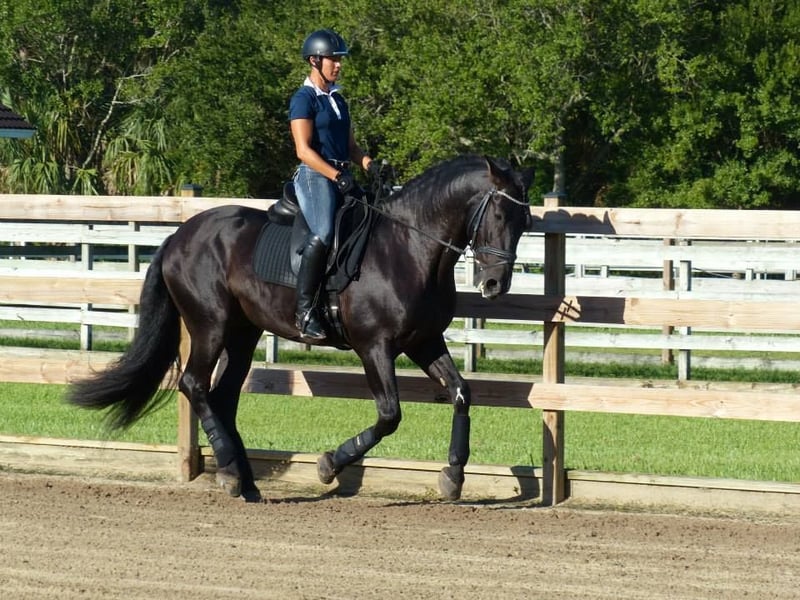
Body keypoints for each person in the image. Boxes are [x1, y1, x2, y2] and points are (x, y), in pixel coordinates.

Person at [289, 28, 380, 341]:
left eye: (340, 59)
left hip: (342, 175)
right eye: (333, 59)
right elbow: (303, 150)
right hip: (314, 175)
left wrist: (370, 164)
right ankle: (304, 311)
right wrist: (335, 175)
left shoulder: (338, 99)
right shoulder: (304, 99)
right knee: (324, 232)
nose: (339, 65)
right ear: (315, 60)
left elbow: (351, 148)